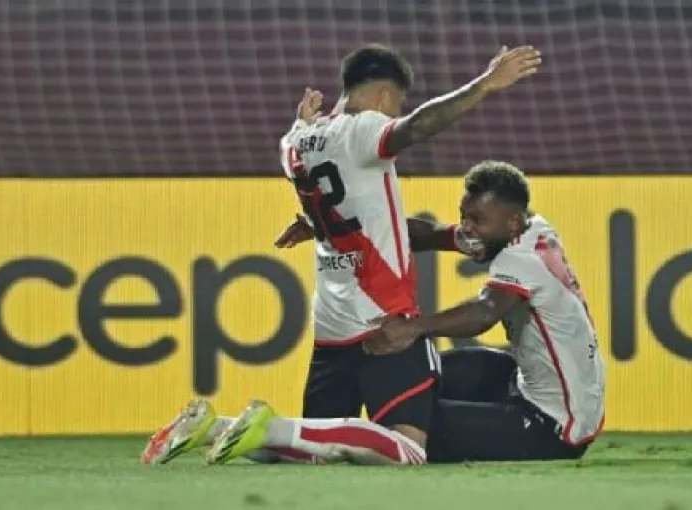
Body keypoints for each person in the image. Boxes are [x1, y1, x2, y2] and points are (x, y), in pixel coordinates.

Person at [141, 43, 542, 466]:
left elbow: (343, 210)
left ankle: (212, 426)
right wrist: (488, 83)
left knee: (317, 447)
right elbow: (421, 126)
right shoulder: (363, 129)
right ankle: (267, 424)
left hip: (331, 324)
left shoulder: (293, 143)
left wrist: (311, 205)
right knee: (408, 449)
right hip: (383, 321)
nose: (394, 114)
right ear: (385, 97)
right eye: (396, 104)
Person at [369, 160, 606, 462]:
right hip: (526, 386)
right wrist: (344, 229)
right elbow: (432, 233)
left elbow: (485, 312)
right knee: (419, 378)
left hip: (553, 427)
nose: (467, 228)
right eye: (464, 217)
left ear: (512, 221)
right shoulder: (529, 229)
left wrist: (413, 327)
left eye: (477, 220)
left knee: (414, 424)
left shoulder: (521, 259)